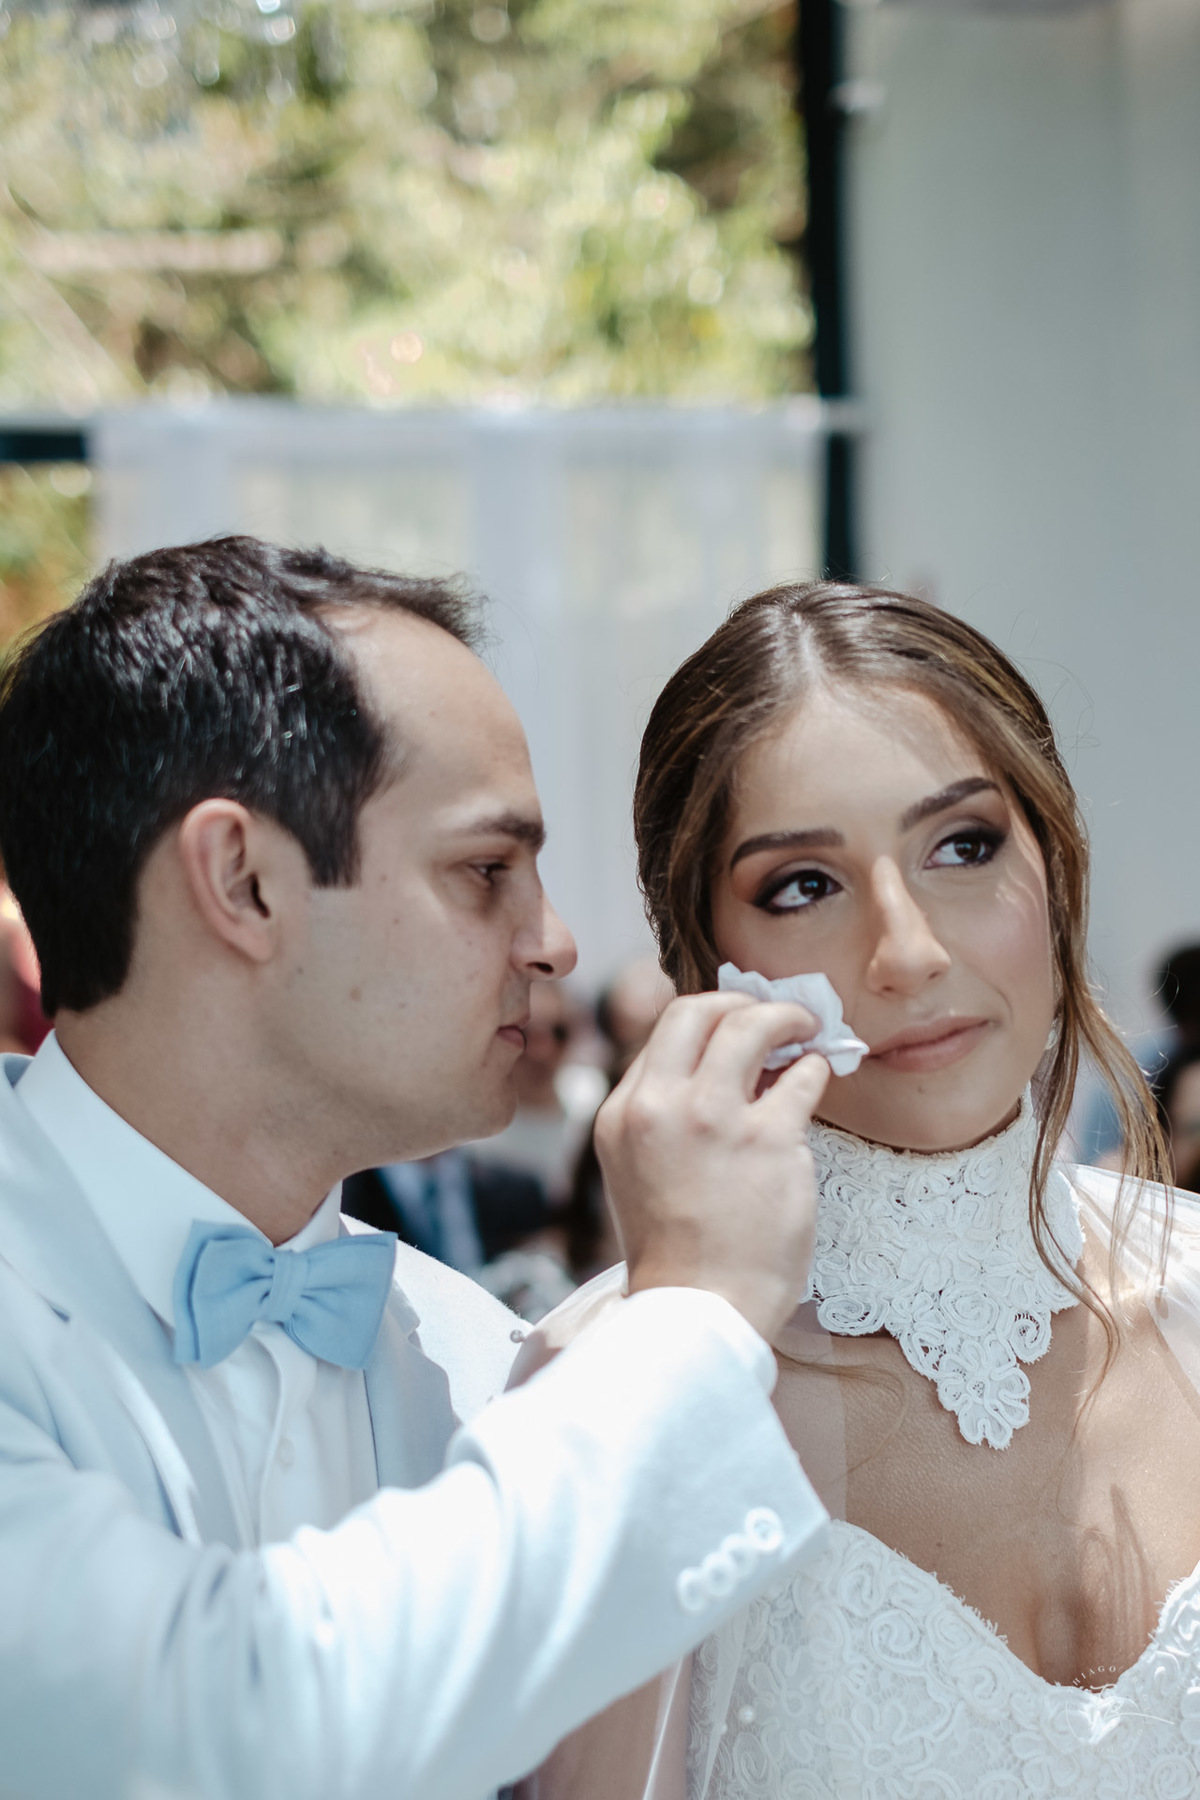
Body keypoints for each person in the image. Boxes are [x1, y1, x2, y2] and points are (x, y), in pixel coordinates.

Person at [0, 538, 836, 1800]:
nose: (552, 942)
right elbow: (206, 1726)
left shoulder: (483, 1360)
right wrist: (697, 1315)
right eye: (486, 871)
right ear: (243, 882)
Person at [524, 581, 1200, 1798]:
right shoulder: (614, 1381)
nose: (907, 952)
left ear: (1055, 862)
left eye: (964, 846)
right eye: (803, 885)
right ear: (702, 956)